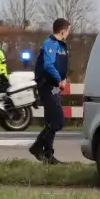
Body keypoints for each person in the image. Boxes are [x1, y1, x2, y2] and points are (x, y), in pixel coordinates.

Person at [29, 18, 71, 164]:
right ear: (62, 30)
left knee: (51, 121)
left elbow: (61, 65)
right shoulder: (50, 44)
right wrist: (59, 79)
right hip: (47, 86)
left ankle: (48, 155)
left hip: (55, 87)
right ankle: (36, 147)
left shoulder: (62, 46)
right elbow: (48, 65)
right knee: (58, 121)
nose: (68, 34)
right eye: (68, 31)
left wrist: (63, 79)